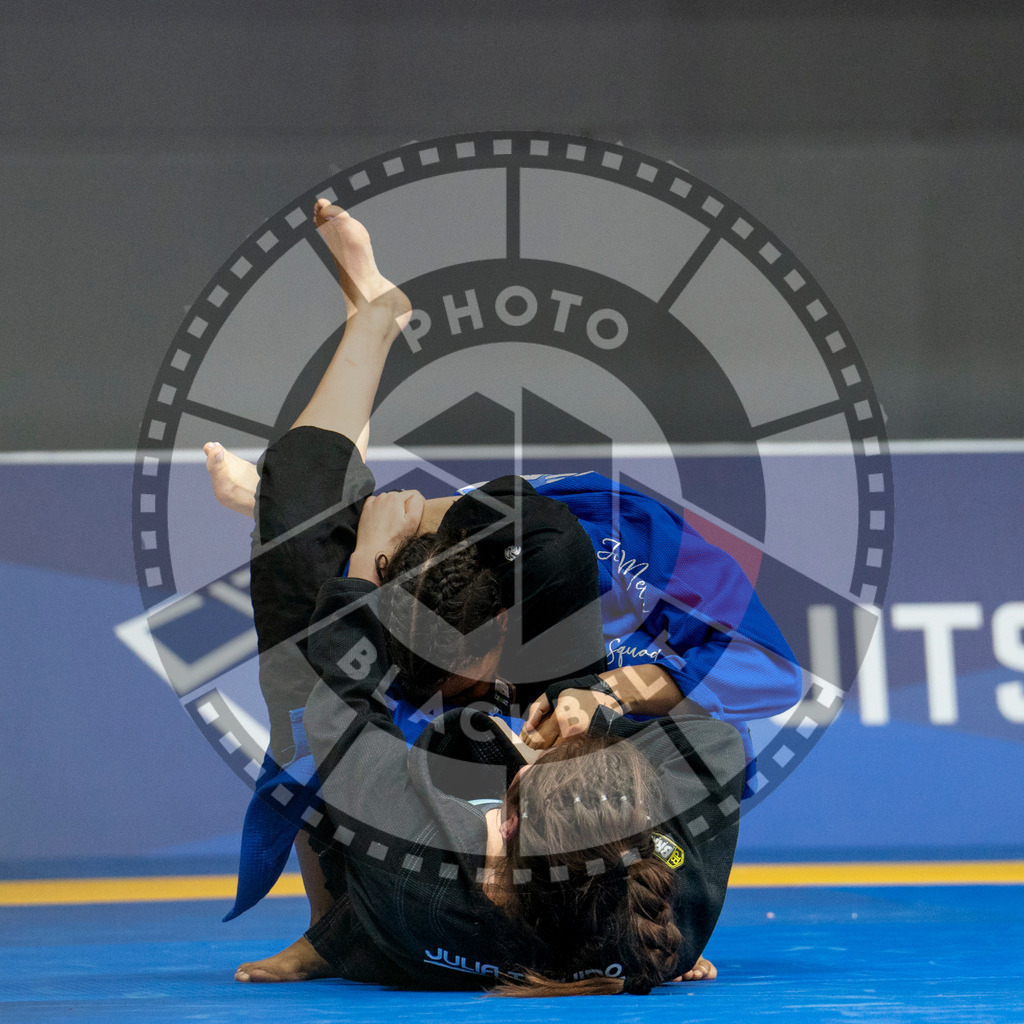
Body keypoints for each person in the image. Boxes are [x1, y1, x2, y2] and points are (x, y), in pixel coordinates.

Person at [231, 199, 744, 991]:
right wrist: (597, 709)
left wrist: (364, 556)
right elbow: (713, 747)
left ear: (501, 820)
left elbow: (331, 712)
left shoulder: (421, 869)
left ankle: (372, 322)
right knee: (550, 572)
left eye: (507, 815)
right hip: (594, 813)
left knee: (297, 557)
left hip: (388, 878)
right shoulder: (659, 924)